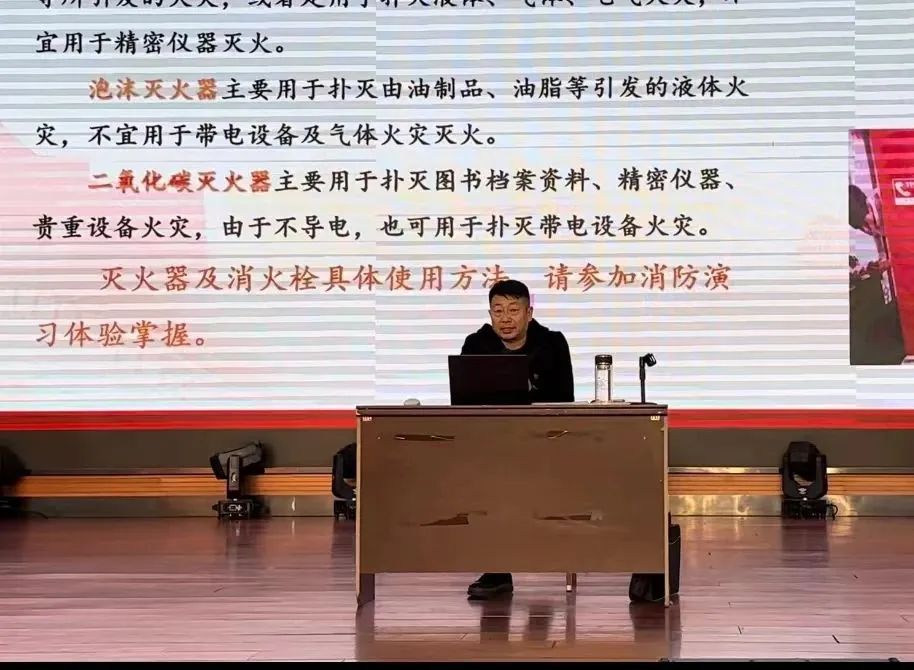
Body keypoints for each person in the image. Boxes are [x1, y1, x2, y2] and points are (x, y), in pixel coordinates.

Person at [459, 279, 575, 599]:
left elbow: (564, 400)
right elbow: (464, 403)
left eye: (513, 310)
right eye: (498, 311)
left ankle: (537, 553)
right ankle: (496, 571)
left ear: (529, 312)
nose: (505, 318)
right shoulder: (476, 344)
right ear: (490, 315)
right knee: (484, 479)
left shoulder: (552, 344)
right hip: (492, 444)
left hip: (544, 441)